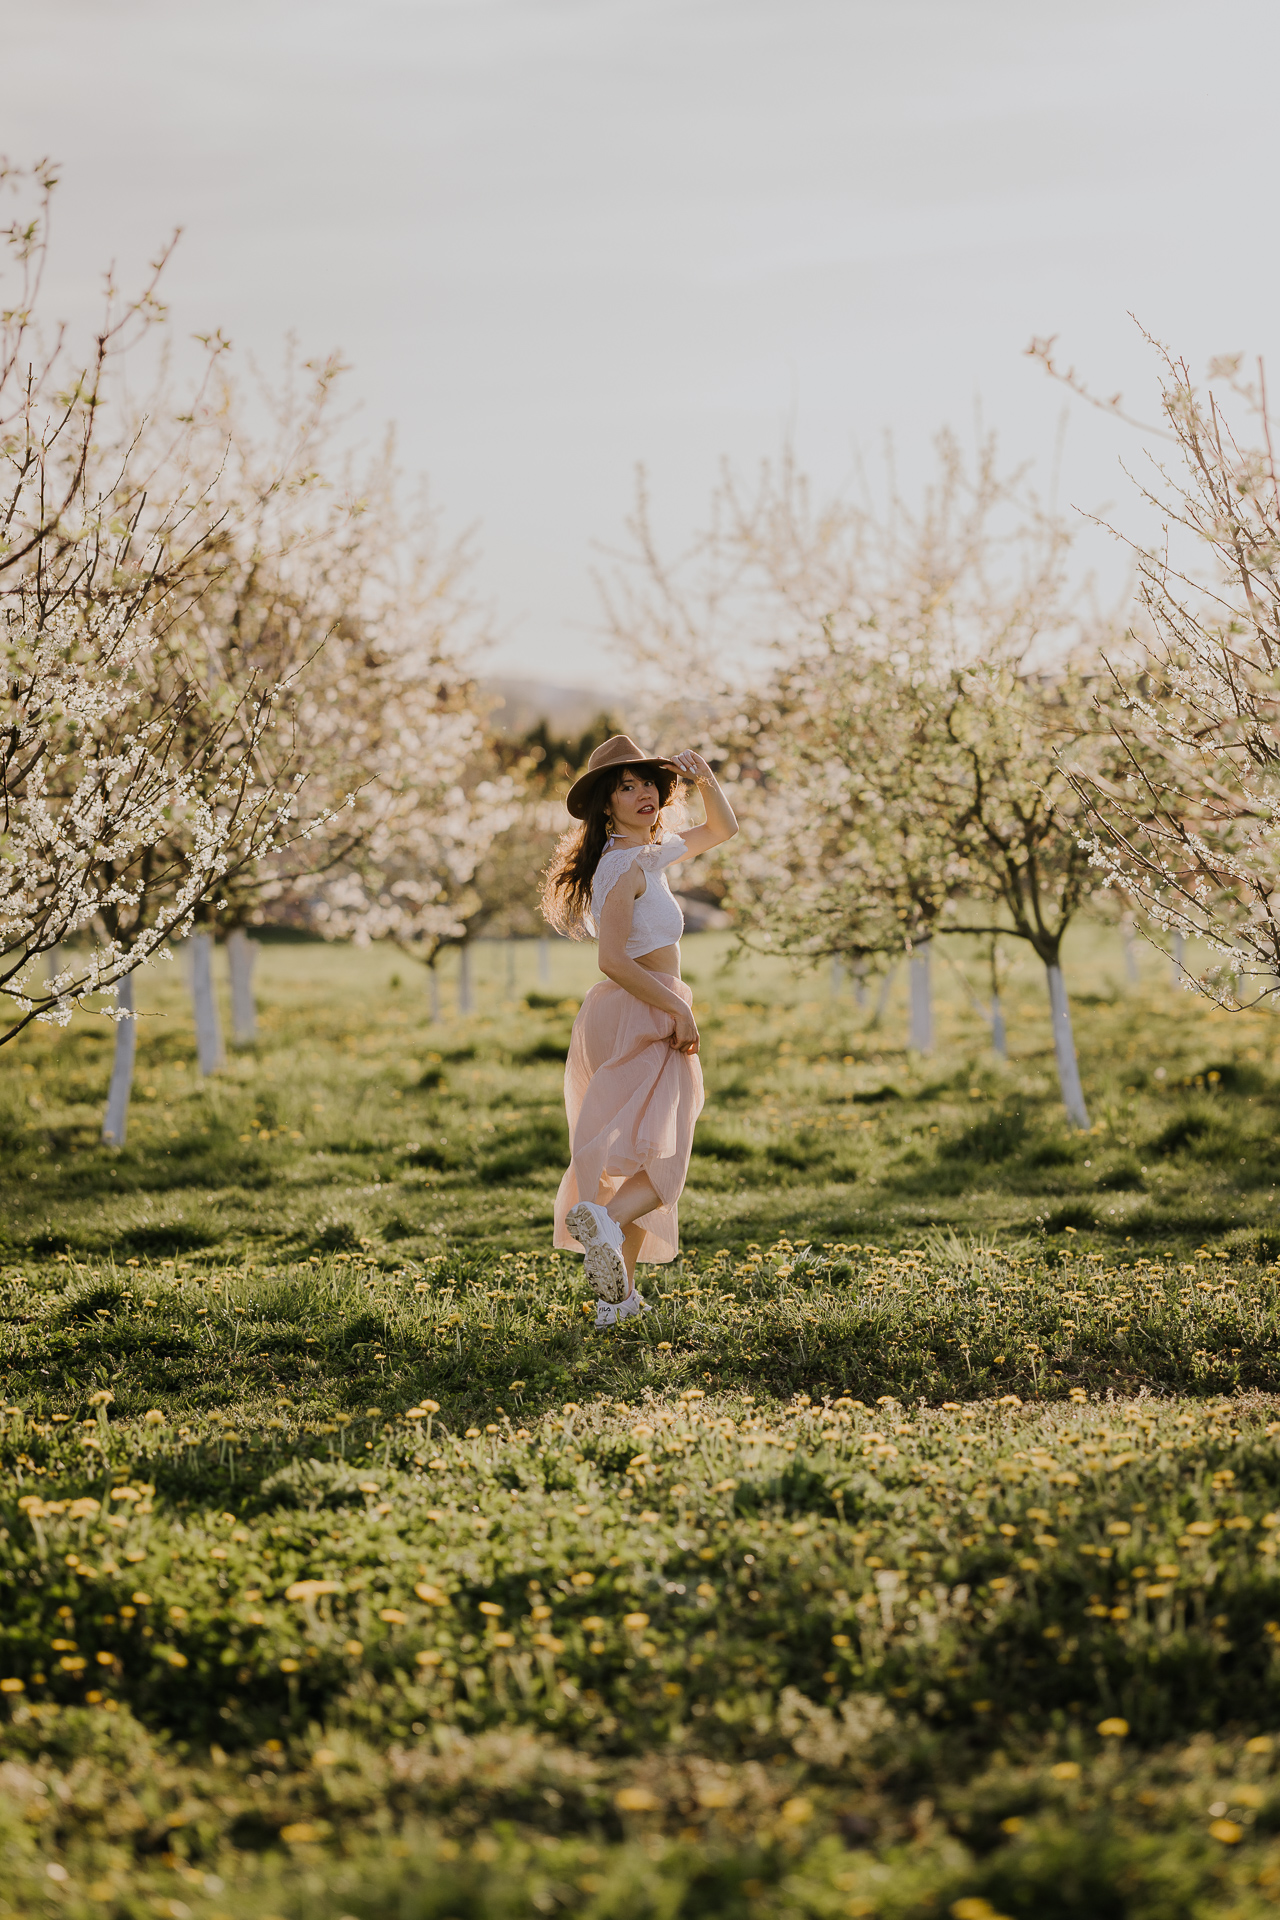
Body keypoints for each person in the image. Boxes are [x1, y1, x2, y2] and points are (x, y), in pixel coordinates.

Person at [540, 734, 738, 1326]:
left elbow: (720, 829)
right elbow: (613, 959)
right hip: (645, 1011)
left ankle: (616, 1304)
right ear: (607, 804)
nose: (643, 792)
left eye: (649, 782)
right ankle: (601, 1219)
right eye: (626, 787)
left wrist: (704, 777)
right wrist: (678, 1010)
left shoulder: (644, 856)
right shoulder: (624, 865)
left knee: (637, 1156)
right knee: (665, 1157)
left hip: (635, 1011)